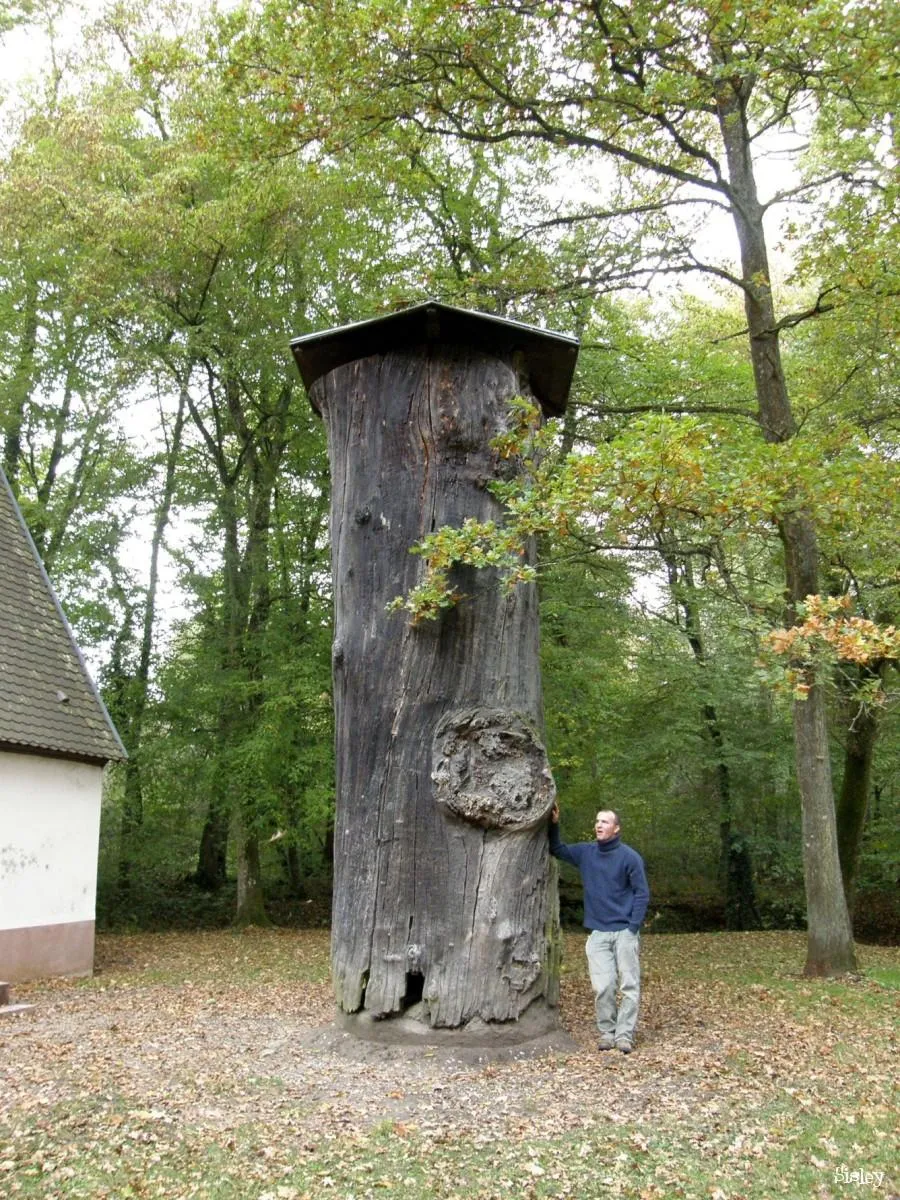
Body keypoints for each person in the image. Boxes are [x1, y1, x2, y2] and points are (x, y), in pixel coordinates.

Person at [549, 803, 650, 1054]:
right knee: (603, 986)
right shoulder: (587, 853)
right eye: (597, 821)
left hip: (625, 931)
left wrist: (632, 927)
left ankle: (624, 1035)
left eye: (604, 822)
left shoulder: (630, 857)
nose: (598, 825)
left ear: (616, 829)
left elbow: (642, 893)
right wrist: (553, 824)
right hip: (598, 934)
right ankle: (607, 1032)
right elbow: (556, 849)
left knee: (628, 986)